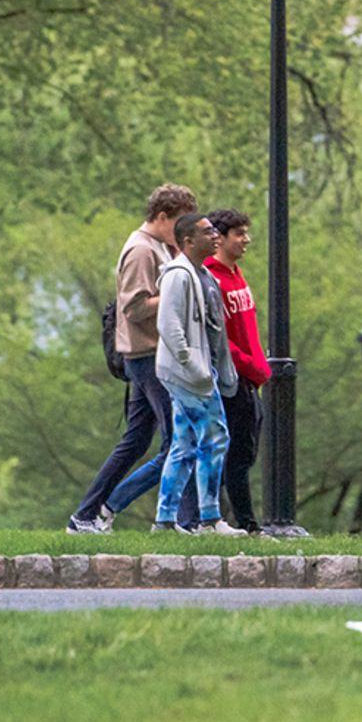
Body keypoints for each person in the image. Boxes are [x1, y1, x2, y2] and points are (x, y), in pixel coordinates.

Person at [68, 184, 191, 534]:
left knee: (136, 441)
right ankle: (114, 508)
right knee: (178, 442)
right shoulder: (140, 250)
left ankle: (86, 515)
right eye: (179, 223)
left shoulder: (161, 247)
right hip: (148, 355)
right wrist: (176, 290)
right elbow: (135, 307)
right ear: (162, 216)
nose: (183, 233)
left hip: (153, 352)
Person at [152, 212, 246, 536]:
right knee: (216, 436)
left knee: (185, 443)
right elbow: (168, 324)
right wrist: (194, 367)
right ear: (189, 240)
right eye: (208, 232)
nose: (215, 236)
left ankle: (165, 520)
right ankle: (209, 519)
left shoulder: (201, 273)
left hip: (197, 373)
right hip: (189, 375)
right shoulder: (179, 275)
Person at [204, 208, 271, 531]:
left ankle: (230, 521)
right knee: (235, 456)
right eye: (239, 234)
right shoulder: (211, 277)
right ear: (219, 238)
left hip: (250, 378)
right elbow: (217, 337)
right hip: (232, 380)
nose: (247, 240)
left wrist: (259, 367)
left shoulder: (236, 274)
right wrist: (245, 365)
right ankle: (243, 524)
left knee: (246, 451)